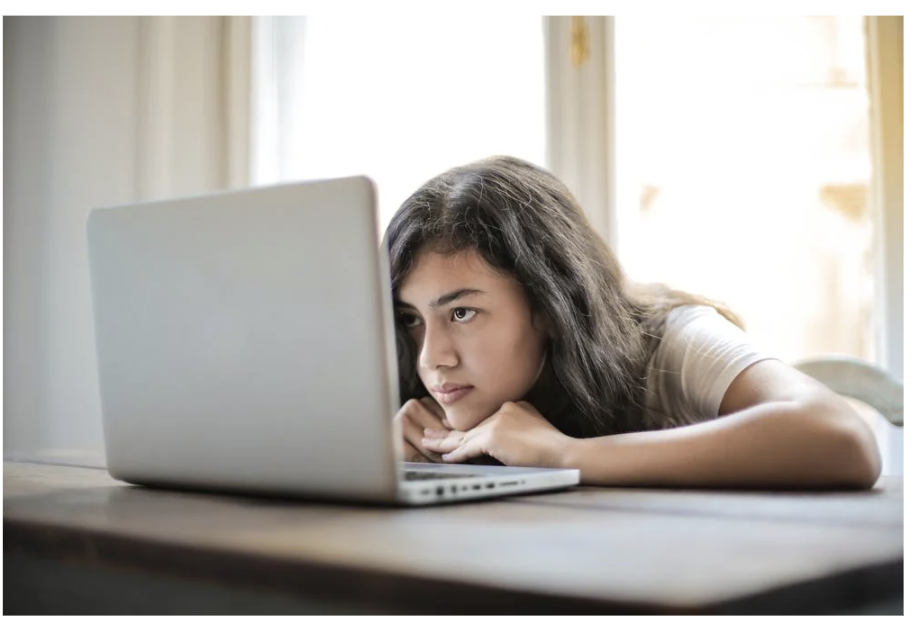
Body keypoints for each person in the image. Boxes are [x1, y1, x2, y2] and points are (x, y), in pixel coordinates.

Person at [384, 155, 881, 489]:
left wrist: (563, 456)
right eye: (411, 318)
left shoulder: (672, 341)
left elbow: (841, 437)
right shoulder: (423, 390)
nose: (432, 357)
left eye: (462, 313)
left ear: (551, 304)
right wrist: (382, 460)